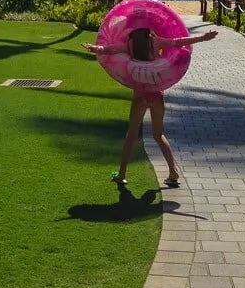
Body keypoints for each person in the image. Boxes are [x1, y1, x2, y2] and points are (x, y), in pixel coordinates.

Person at [82, 27, 218, 187]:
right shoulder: (157, 41)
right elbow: (179, 42)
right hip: (156, 95)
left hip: (140, 96)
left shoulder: (130, 45)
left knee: (131, 135)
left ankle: (122, 174)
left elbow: (110, 50)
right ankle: (173, 172)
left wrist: (95, 48)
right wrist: (203, 37)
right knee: (158, 134)